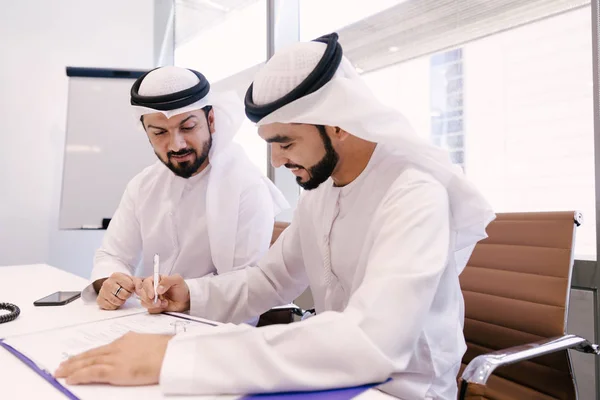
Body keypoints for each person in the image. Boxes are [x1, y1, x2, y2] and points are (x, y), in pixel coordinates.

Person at [57, 34, 494, 399]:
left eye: (285, 143)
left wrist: (174, 356)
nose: (278, 162)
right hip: (335, 373)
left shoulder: (414, 194)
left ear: (338, 123)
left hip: (400, 389)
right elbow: (269, 280)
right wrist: (188, 294)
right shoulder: (322, 192)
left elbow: (371, 342)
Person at [81, 66, 288, 312]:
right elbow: (112, 255)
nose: (176, 144)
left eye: (188, 127)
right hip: (146, 321)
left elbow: (248, 286)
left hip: (216, 329)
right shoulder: (142, 185)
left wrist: (190, 295)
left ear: (211, 121)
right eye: (159, 133)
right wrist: (110, 281)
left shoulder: (246, 186)